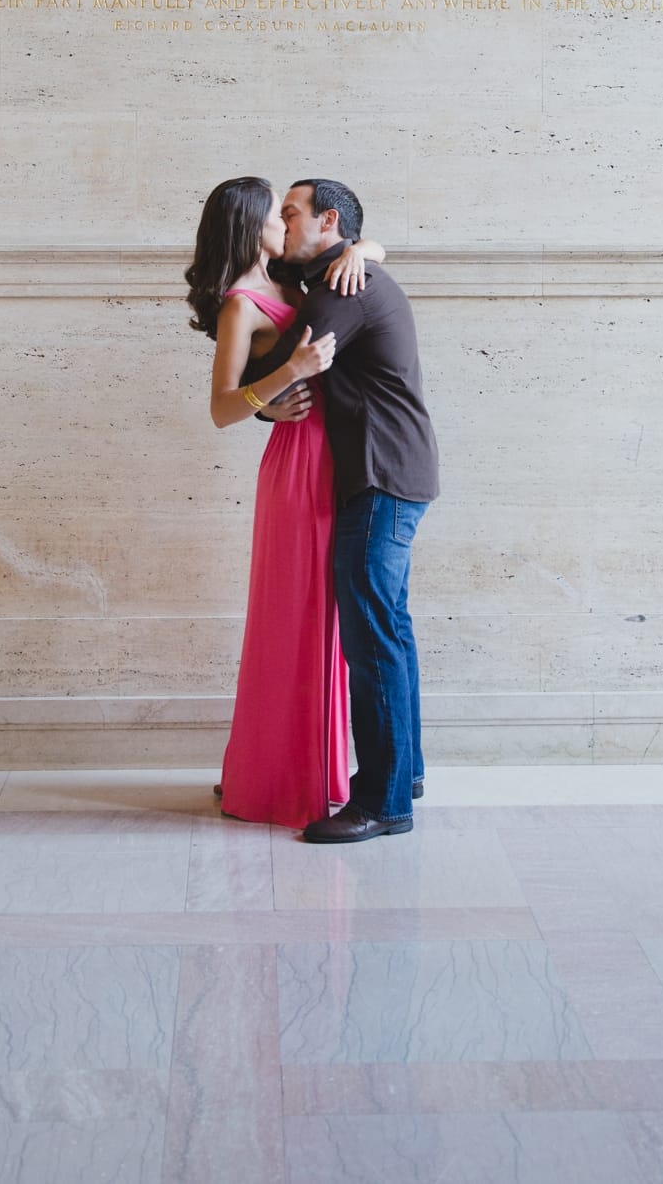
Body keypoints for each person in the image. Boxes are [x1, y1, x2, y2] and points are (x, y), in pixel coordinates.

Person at [184, 176, 386, 828]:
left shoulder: (292, 286)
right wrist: (284, 378)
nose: (287, 223)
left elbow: (362, 254)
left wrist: (364, 250)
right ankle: (270, 778)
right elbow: (220, 409)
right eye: (278, 214)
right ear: (253, 225)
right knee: (291, 618)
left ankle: (312, 769)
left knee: (326, 621)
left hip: (335, 460)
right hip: (296, 468)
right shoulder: (241, 304)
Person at [251, 179, 440, 844]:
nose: (282, 220)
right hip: (398, 472)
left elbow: (285, 359)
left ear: (329, 220)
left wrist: (250, 373)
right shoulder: (344, 273)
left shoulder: (341, 287)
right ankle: (404, 773)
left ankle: (383, 803)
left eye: (292, 212)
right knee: (391, 627)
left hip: (379, 476)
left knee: (372, 640)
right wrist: (366, 246)